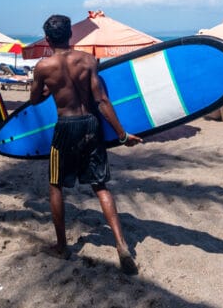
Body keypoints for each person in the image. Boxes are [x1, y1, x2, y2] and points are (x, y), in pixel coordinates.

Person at [29, 14, 143, 274]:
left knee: (56, 185)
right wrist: (122, 134)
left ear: (47, 39)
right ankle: (121, 245)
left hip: (65, 127)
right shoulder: (89, 60)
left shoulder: (43, 67)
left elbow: (34, 99)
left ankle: (62, 246)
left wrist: (49, 89)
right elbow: (101, 100)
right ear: (71, 35)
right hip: (91, 124)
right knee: (100, 185)